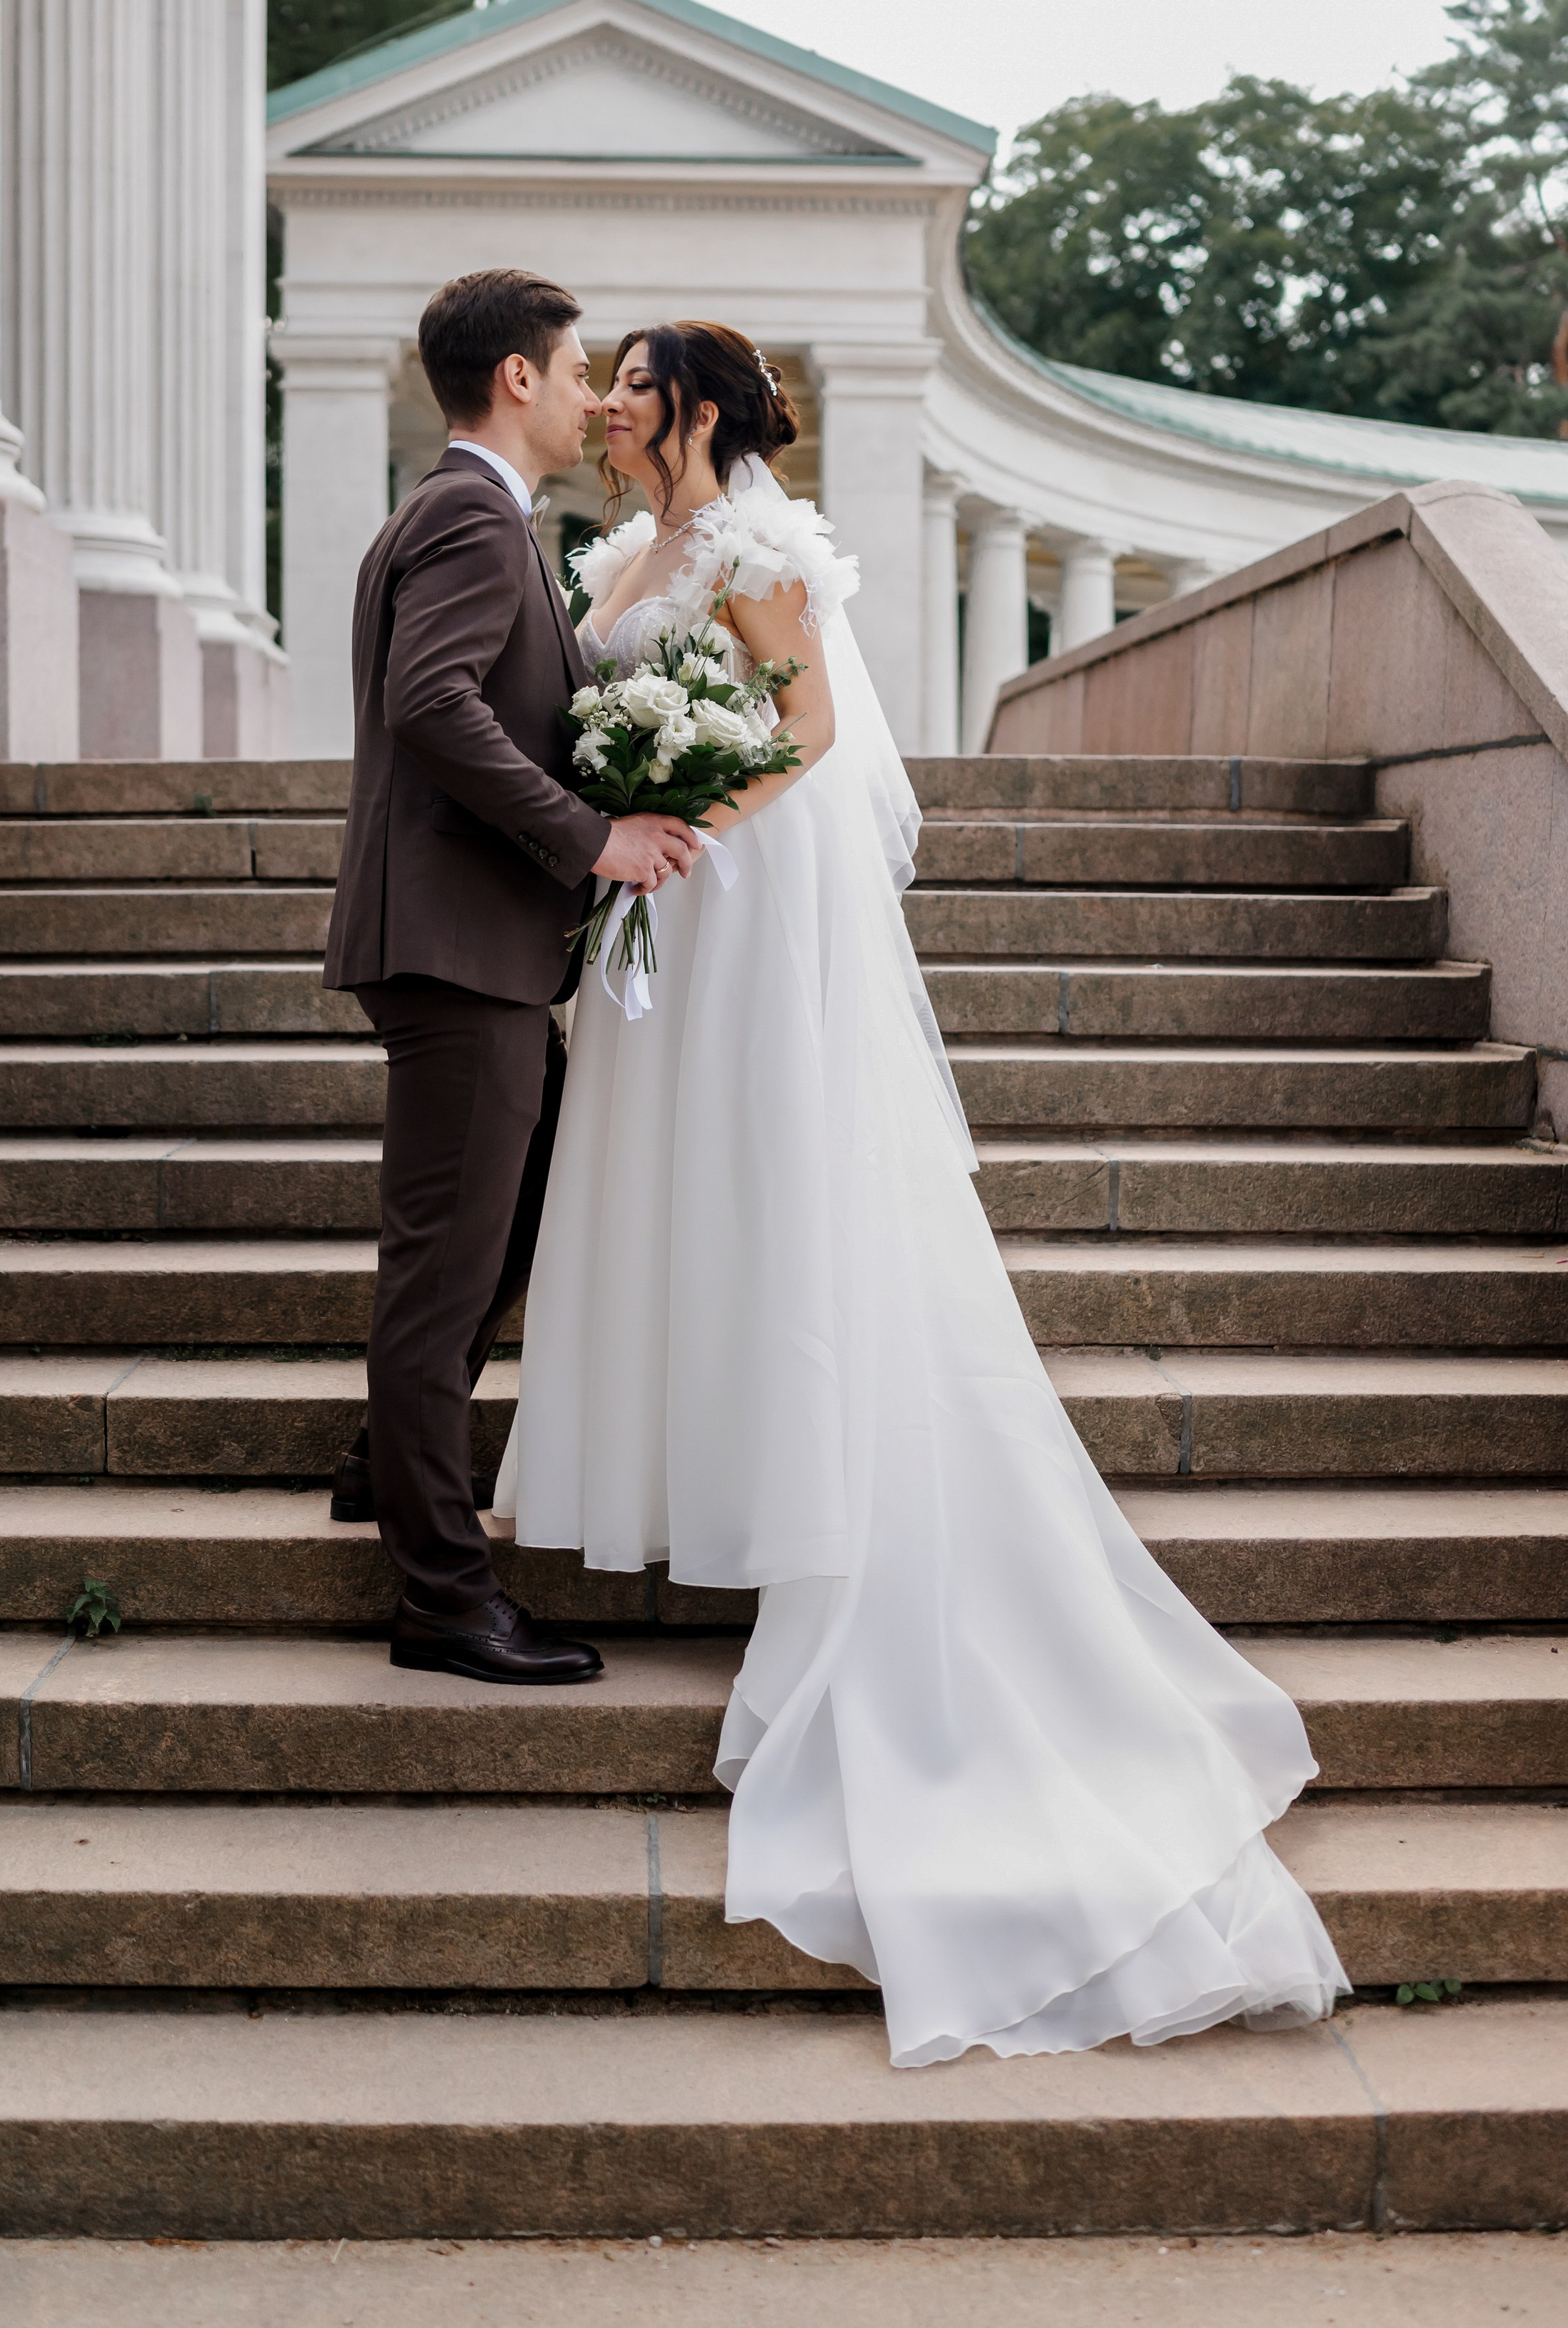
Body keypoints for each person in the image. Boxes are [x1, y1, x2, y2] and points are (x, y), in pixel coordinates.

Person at [495, 319, 1349, 2064]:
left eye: (630, 383)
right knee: (670, 1203)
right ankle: (699, 1471)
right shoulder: (616, 553)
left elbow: (807, 732)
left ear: (700, 409)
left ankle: (808, 1494)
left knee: (764, 1196)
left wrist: (678, 817)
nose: (603, 406)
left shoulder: (750, 541)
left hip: (736, 906)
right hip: (657, 911)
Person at [321, 268, 699, 1686]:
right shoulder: (474, 517)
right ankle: (441, 1599)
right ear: (519, 379)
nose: (597, 386)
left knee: (517, 1220)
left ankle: (383, 1466)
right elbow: (430, 707)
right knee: (439, 1278)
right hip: (452, 950)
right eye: (578, 360)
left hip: (464, 946)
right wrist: (588, 835)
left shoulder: (463, 512)